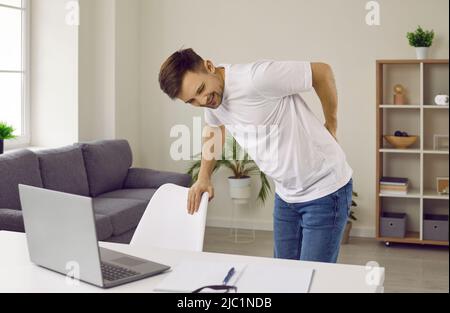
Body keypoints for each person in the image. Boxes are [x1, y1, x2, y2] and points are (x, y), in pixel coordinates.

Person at [158, 48, 353, 263]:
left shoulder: (256, 78)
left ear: (210, 66)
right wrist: (204, 177)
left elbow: (321, 72)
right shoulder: (211, 99)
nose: (202, 101)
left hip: (325, 190)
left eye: (201, 90)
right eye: (192, 101)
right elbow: (213, 129)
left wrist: (332, 125)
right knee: (284, 278)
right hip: (287, 196)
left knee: (314, 279)